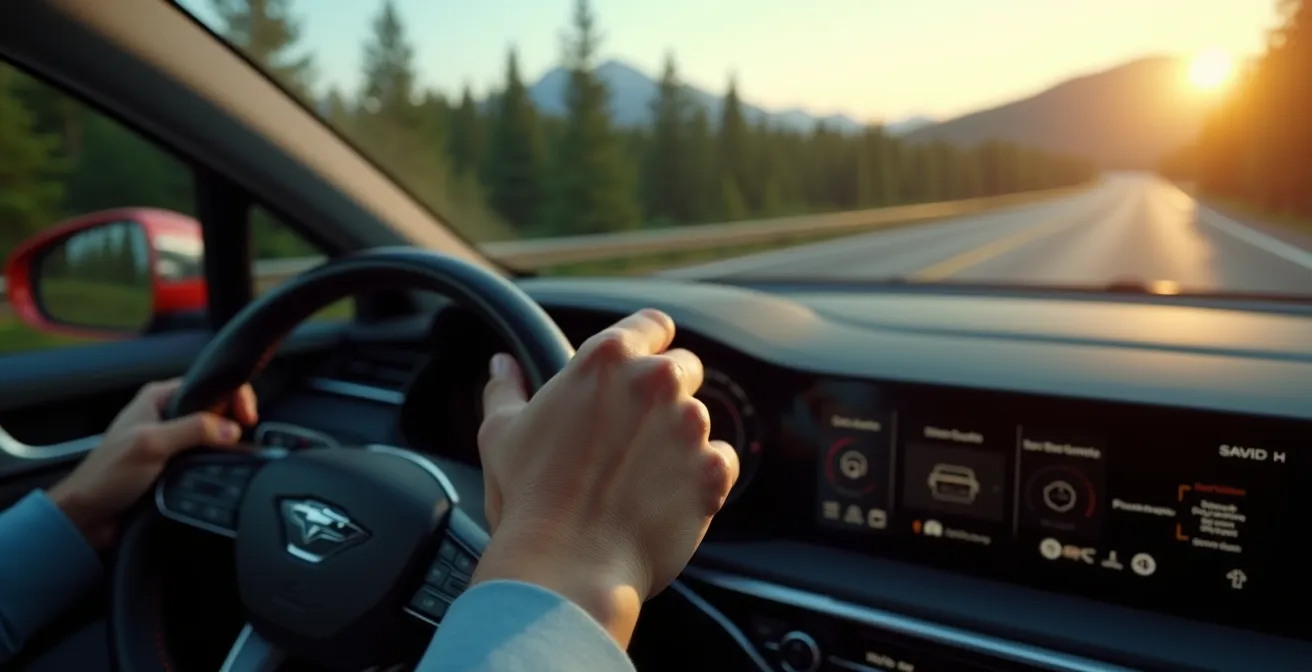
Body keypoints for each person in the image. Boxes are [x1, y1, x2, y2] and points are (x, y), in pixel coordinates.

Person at [0, 309, 738, 672]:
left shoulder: (91, 506)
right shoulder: (576, 564)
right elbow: (566, 551)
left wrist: (77, 510)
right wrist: (570, 568)